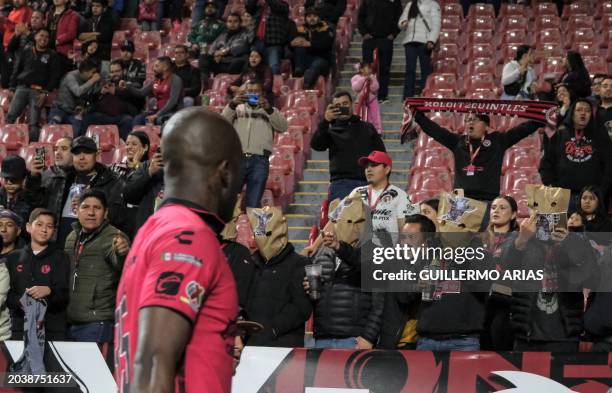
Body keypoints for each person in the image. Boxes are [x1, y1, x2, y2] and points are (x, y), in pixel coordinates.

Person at [114, 108, 243, 393]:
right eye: (239, 176)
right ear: (225, 173)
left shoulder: (154, 228)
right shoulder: (189, 237)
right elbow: (152, 363)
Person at [412, 110, 543, 202]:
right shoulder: (457, 141)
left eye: (475, 120)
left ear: (486, 126)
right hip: (460, 201)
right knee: (454, 240)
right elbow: (435, 130)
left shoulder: (498, 141)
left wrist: (540, 118)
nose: (470, 123)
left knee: (483, 240)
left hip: (487, 201)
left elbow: (520, 131)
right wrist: (417, 115)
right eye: (468, 120)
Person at [309, 196, 384, 349]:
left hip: (354, 340)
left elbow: (380, 303)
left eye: (357, 222)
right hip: (322, 338)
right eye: (342, 220)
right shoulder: (322, 253)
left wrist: (368, 338)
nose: (351, 226)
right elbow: (315, 293)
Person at [26, 136, 126, 246]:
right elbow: (35, 203)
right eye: (77, 153)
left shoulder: (110, 180)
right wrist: (34, 178)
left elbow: (119, 216)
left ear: (96, 155)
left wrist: (90, 203)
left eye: (87, 153)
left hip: (93, 245)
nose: (82, 158)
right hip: (57, 244)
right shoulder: (61, 178)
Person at [66, 189, 129, 349]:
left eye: (97, 208)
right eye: (85, 207)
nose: (91, 213)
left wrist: (122, 253)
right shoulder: (72, 237)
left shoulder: (115, 237)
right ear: (76, 211)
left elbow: (122, 264)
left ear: (106, 212)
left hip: (98, 323)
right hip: (69, 321)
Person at [244, 207, 312, 347]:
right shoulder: (250, 262)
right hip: (250, 345)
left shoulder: (300, 263)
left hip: (283, 349)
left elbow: (301, 308)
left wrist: (272, 331)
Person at [222, 79, 288, 208]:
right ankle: (231, 228)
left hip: (260, 160)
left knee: (253, 204)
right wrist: (232, 104)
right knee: (231, 203)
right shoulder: (236, 108)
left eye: (256, 91)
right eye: (249, 91)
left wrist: (268, 109)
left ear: (262, 93)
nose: (252, 94)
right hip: (237, 159)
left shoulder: (270, 110)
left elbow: (283, 127)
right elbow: (222, 123)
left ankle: (250, 228)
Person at [6, 208, 70, 340]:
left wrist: (49, 291)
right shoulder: (13, 257)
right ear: (28, 227)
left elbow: (64, 295)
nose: (44, 229)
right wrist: (21, 301)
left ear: (54, 231)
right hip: (19, 328)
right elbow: (7, 294)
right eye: (39, 224)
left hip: (52, 330)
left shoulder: (61, 257)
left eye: (49, 226)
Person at [311, 91, 386, 201]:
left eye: (345, 104)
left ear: (352, 105)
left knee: (369, 218)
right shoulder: (330, 131)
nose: (342, 107)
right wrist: (326, 121)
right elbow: (317, 145)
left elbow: (382, 156)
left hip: (368, 182)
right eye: (337, 106)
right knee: (342, 218)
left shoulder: (367, 128)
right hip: (341, 184)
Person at [540, 99, 612, 210]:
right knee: (560, 228)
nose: (583, 113)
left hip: (592, 198)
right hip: (562, 197)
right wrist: (551, 186)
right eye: (579, 110)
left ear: (591, 115)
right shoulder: (559, 134)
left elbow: (609, 164)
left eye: (587, 110)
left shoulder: (600, 135)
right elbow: (546, 162)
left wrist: (601, 191)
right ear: (572, 113)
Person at [378, 214, 435, 349]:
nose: (405, 243)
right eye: (403, 237)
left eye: (412, 237)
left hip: (426, 343)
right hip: (395, 343)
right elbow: (403, 295)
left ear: (426, 242)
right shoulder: (392, 263)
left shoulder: (437, 263)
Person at [480, 195, 520, 351]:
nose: (496, 211)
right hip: (481, 303)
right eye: (494, 207)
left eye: (503, 208)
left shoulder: (518, 240)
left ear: (514, 215)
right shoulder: (479, 238)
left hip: (504, 305)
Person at [6, 28, 61, 142]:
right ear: (35, 37)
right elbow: (17, 69)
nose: (44, 39)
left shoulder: (52, 55)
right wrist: (12, 87)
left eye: (46, 37)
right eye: (41, 35)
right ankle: (4, 142)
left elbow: (54, 77)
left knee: (34, 122)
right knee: (10, 117)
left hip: (38, 91)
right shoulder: (26, 51)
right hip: (22, 88)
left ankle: (34, 149)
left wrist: (45, 92)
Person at [358, 0, 404, 103]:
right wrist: (364, 33)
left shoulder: (395, 1)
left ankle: (383, 96)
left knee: (384, 68)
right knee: (366, 68)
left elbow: (400, 18)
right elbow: (360, 17)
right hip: (370, 39)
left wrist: (393, 34)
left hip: (386, 39)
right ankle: (367, 93)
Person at [81, 61, 139, 139]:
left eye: (117, 71)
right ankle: (84, 144)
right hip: (103, 116)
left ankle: (122, 144)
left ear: (124, 71)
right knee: (88, 118)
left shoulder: (129, 84)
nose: (114, 74)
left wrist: (115, 91)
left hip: (121, 117)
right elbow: (91, 99)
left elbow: (134, 96)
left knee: (128, 120)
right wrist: (100, 92)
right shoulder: (105, 83)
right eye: (112, 72)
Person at [398, 0, 441, 100]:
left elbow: (436, 24)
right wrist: (403, 23)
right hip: (410, 40)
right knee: (409, 70)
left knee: (425, 70)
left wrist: (431, 40)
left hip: (425, 41)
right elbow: (401, 21)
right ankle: (407, 96)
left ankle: (425, 95)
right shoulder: (410, 4)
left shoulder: (433, 4)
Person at [49, 59, 101, 136]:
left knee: (77, 128)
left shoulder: (89, 80)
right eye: (92, 72)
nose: (94, 75)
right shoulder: (71, 76)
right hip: (59, 109)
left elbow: (88, 96)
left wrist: (83, 107)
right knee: (53, 127)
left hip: (73, 112)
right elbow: (78, 92)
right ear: (84, 71)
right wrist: (93, 80)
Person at [126, 56, 183, 126]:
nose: (153, 69)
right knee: (138, 118)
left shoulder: (175, 79)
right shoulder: (156, 80)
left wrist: (156, 115)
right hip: (157, 112)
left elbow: (173, 101)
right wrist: (127, 86)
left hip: (173, 112)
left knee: (159, 120)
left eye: (157, 66)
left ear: (165, 67)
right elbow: (141, 93)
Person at [122, 145, 164, 237]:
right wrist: (149, 173)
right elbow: (128, 195)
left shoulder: (185, 171)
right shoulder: (145, 167)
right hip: (146, 232)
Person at [246, 0, 297, 75]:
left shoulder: (283, 5)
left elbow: (278, 7)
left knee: (274, 67)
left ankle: (275, 86)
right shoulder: (259, 6)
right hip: (257, 42)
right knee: (252, 67)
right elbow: (249, 8)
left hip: (273, 43)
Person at [289, 8, 334, 89]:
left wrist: (309, 44)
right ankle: (299, 71)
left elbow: (325, 44)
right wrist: (293, 43)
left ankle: (305, 89)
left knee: (316, 65)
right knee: (299, 46)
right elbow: (294, 44)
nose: (312, 18)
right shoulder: (300, 29)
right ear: (305, 18)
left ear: (319, 18)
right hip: (305, 60)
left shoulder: (327, 28)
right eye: (309, 16)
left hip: (322, 60)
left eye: (314, 16)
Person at [199, 12, 252, 81]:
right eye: (230, 21)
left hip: (234, 61)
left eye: (235, 21)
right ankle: (204, 80)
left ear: (240, 23)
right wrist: (215, 54)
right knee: (203, 56)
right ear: (226, 23)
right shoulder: (223, 35)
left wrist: (223, 51)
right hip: (221, 62)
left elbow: (241, 47)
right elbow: (213, 47)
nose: (232, 24)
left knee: (238, 63)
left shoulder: (245, 33)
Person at [0, 156, 35, 233]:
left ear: (23, 178)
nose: (9, 182)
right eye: (6, 178)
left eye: (13, 179)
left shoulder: (32, 200)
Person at [47, 0, 80, 74]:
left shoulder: (72, 15)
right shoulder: (49, 13)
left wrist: (58, 41)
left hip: (62, 53)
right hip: (48, 49)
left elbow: (71, 33)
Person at [351, 61, 382, 134]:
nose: (370, 70)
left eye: (370, 68)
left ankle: (377, 129)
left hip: (372, 99)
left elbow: (375, 88)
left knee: (375, 115)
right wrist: (364, 79)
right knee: (360, 115)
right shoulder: (356, 77)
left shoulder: (372, 77)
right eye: (368, 68)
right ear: (361, 70)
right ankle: (360, 129)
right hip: (360, 100)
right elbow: (356, 88)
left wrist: (372, 81)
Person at [596, 76, 612, 141]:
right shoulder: (591, 110)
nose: (608, 88)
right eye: (605, 86)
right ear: (599, 90)